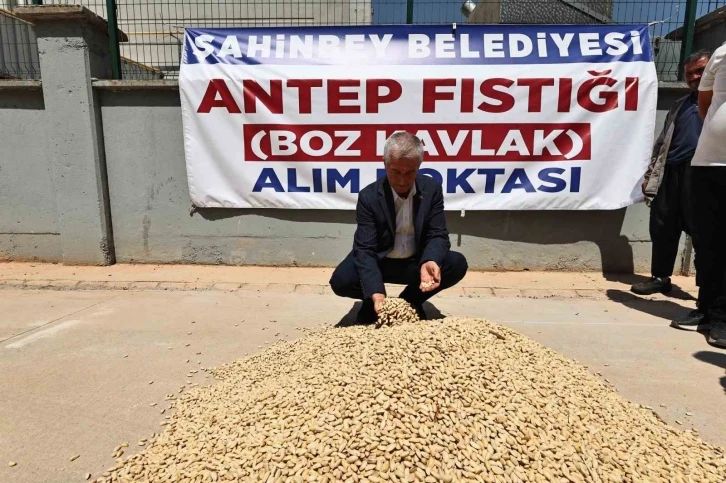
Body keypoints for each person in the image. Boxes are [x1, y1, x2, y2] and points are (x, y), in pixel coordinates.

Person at [329, 131, 468, 323]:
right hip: (381, 261)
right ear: (385, 164)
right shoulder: (369, 196)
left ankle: (410, 301)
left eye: (410, 172)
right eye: (395, 172)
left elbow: (438, 234)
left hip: (415, 262)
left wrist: (430, 260)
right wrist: (375, 290)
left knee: (456, 264)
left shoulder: (432, 189)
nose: (402, 181)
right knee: (342, 280)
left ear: (419, 166)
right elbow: (365, 249)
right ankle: (372, 302)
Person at [632, 51, 711, 304]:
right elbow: (662, 142)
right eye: (689, 74)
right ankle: (660, 278)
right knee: (662, 225)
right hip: (671, 171)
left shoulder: (719, 103)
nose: (694, 77)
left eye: (700, 71)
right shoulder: (680, 105)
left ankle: (708, 289)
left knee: (704, 231)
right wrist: (651, 174)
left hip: (703, 173)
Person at [673, 42, 726, 347]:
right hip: (707, 163)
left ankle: (722, 317)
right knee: (706, 245)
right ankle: (706, 308)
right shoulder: (721, 54)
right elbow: (705, 107)